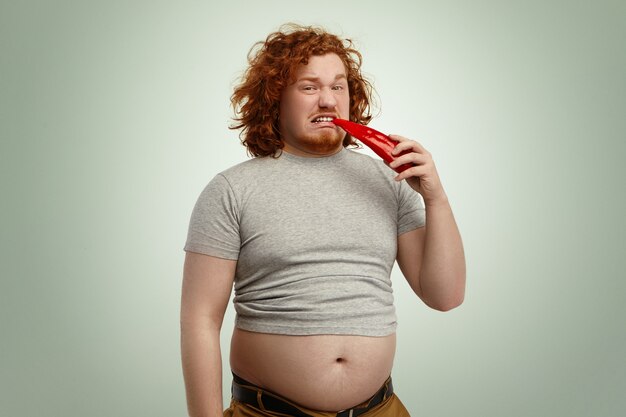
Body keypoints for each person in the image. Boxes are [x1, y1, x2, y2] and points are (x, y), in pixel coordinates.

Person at [180, 24, 466, 417]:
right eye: (310, 87)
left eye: (339, 86)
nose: (328, 100)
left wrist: (436, 196)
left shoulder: (389, 180)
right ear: (275, 99)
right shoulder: (231, 190)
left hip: (379, 409)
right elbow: (200, 320)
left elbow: (445, 296)